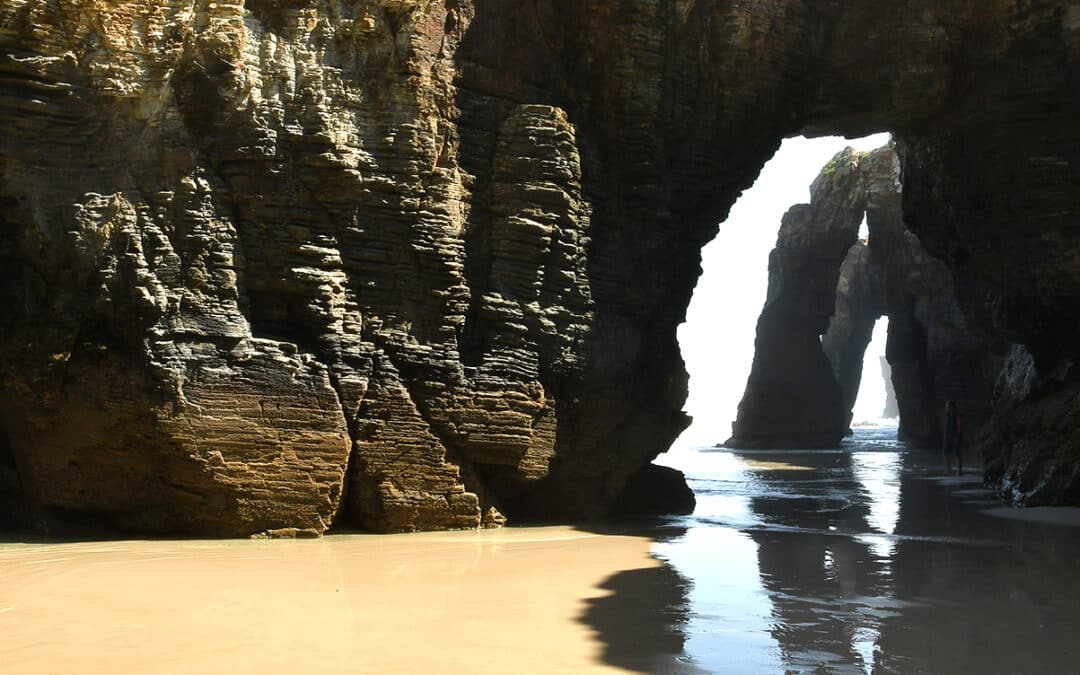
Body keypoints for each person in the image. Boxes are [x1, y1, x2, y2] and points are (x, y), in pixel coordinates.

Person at [943, 400, 963, 475]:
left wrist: (957, 436)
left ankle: (960, 470)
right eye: (946, 406)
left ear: (951, 407)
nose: (946, 407)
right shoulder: (947, 415)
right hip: (948, 436)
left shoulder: (957, 416)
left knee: (957, 453)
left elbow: (959, 426)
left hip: (955, 436)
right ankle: (949, 469)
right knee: (945, 452)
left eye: (947, 406)